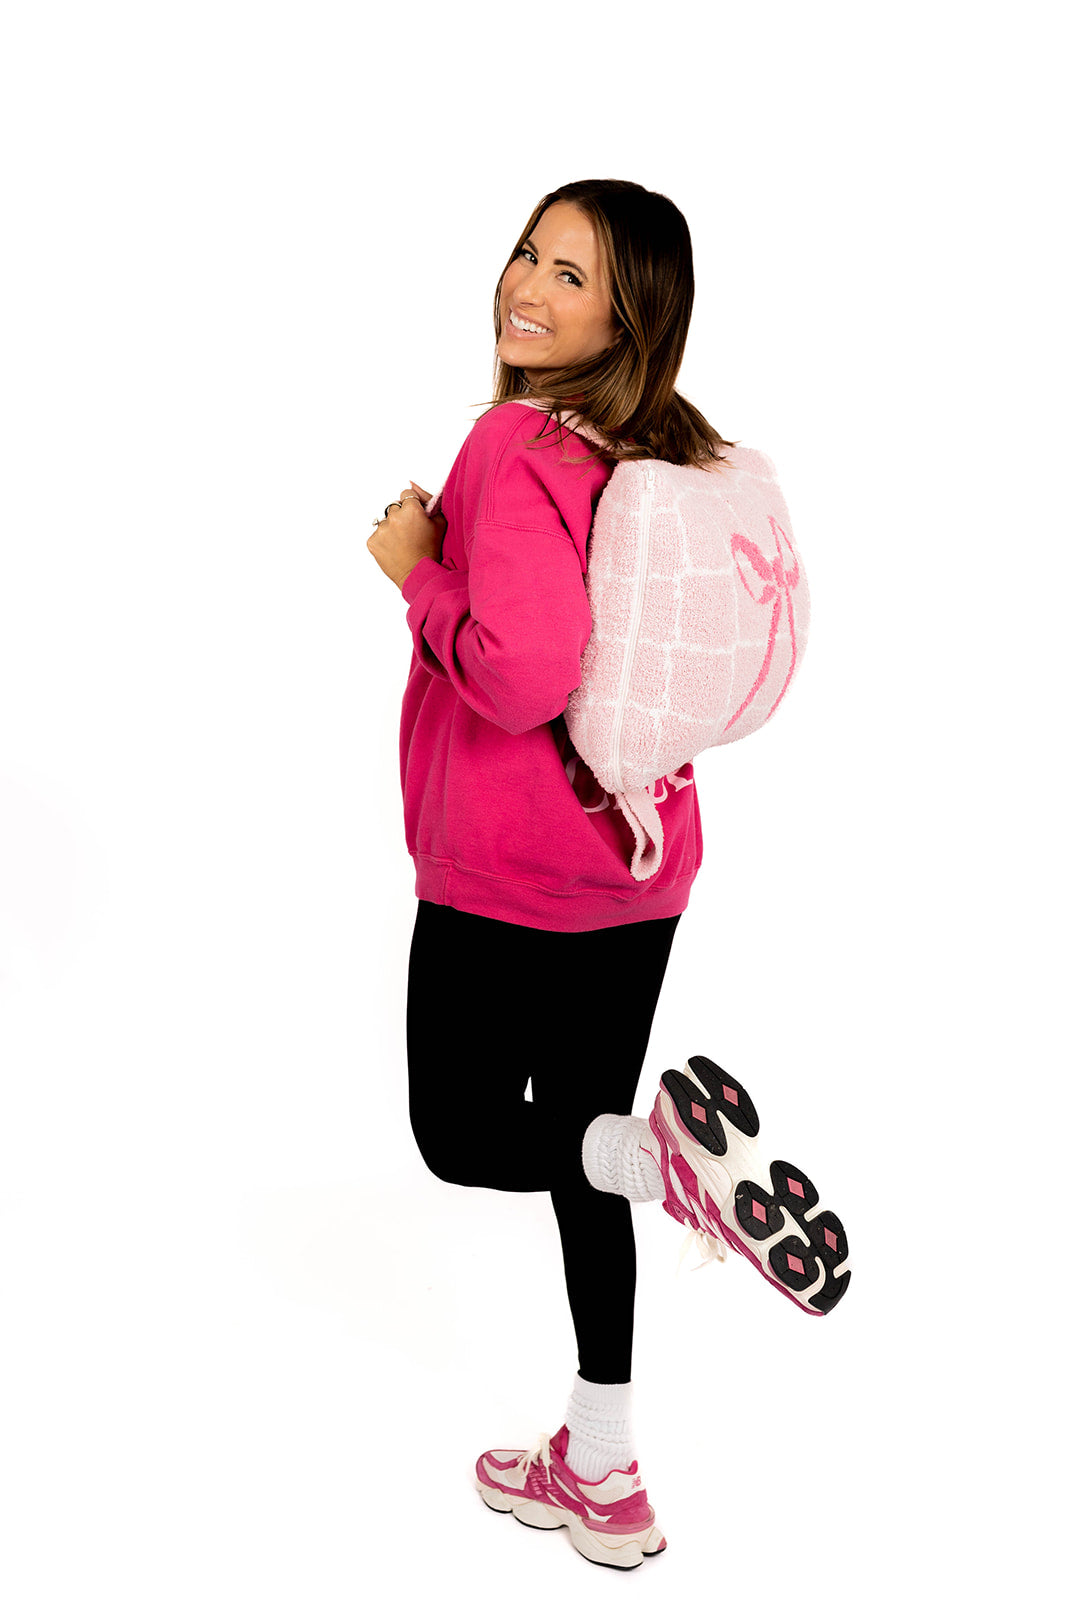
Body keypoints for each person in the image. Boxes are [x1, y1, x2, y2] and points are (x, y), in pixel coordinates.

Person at [366, 178, 848, 1570]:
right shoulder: (661, 444)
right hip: (640, 858)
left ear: (629, 312)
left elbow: (519, 672)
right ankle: (608, 1469)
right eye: (528, 251)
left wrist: (417, 573)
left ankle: (664, 1168)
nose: (527, 284)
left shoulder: (517, 447)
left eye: (572, 275)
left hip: (510, 865)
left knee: (465, 1132)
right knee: (584, 1140)